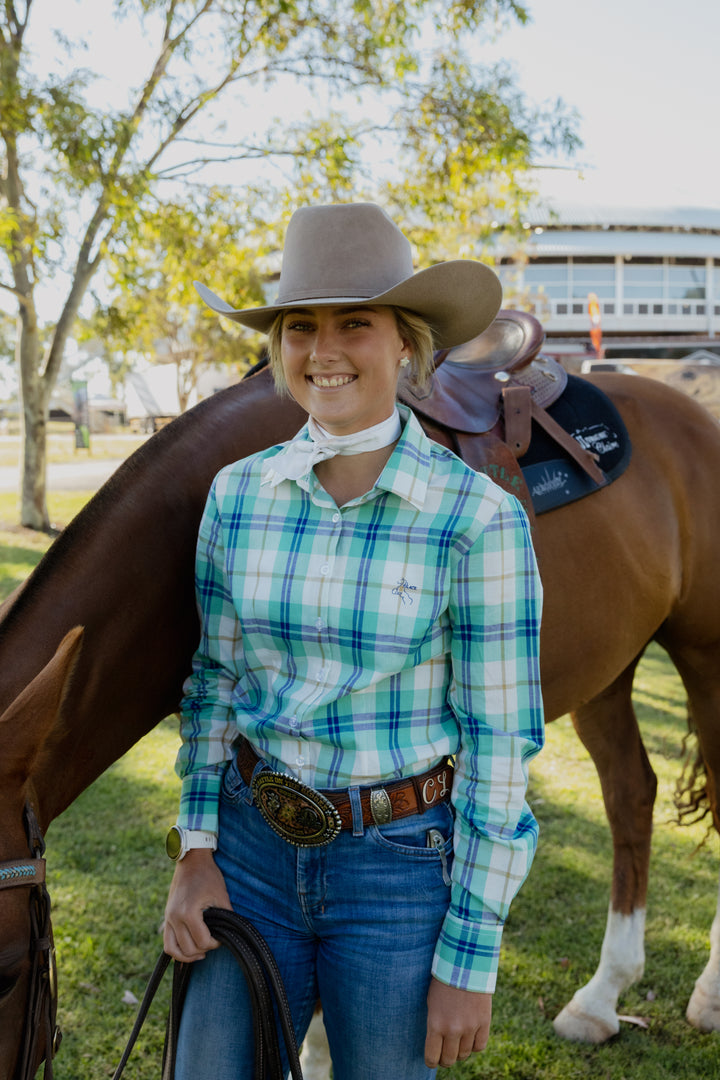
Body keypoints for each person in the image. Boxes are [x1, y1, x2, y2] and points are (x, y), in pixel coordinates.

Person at [162, 202, 544, 1079]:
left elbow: (500, 745)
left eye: (355, 323)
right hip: (251, 854)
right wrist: (195, 850)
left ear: (406, 343)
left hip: (400, 874)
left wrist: (470, 959)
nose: (323, 350)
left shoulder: (476, 519)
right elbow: (214, 683)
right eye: (302, 326)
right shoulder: (239, 495)